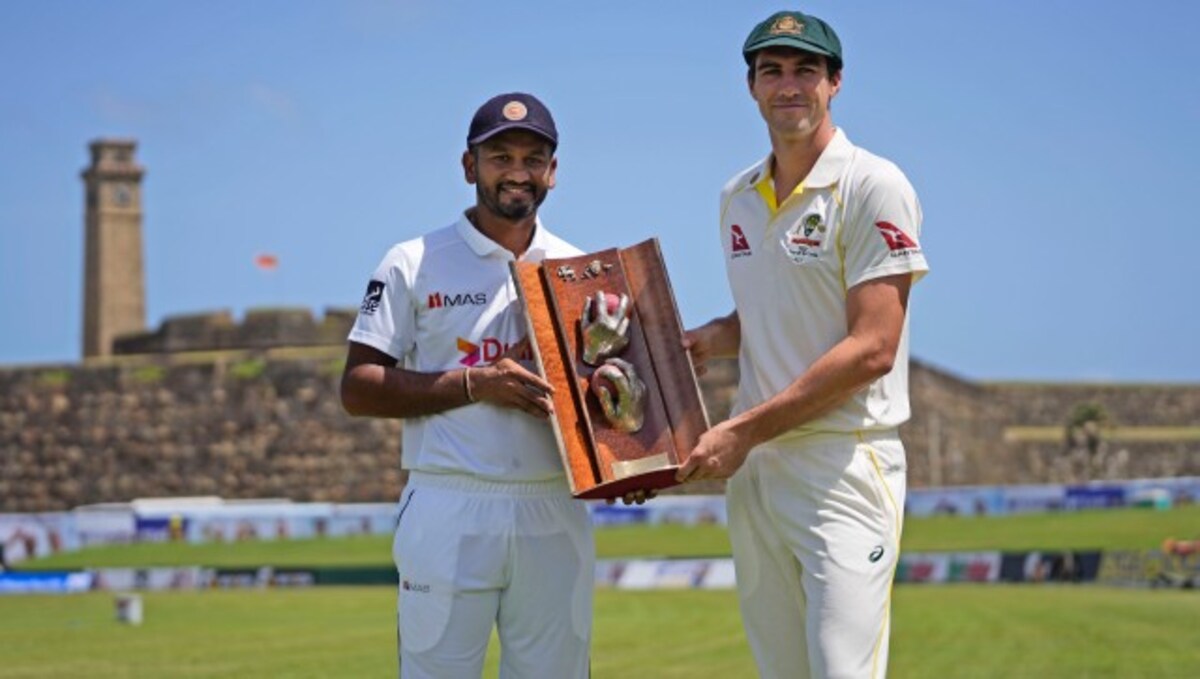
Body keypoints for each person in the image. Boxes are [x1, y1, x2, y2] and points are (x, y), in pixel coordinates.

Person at [676, 10, 929, 679]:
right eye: (772, 71)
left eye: (805, 71)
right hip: (758, 471)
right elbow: (767, 311)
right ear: (752, 86)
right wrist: (706, 340)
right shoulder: (737, 195)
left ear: (835, 83)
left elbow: (873, 345)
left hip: (842, 465)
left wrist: (741, 429)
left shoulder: (874, 185)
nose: (788, 85)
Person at [340, 92, 594, 678]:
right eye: (499, 156)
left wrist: (634, 463)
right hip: (449, 501)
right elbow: (358, 387)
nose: (517, 172)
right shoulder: (413, 260)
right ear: (468, 166)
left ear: (552, 173)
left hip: (554, 505)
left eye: (533, 158)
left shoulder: (578, 269)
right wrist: (476, 384)